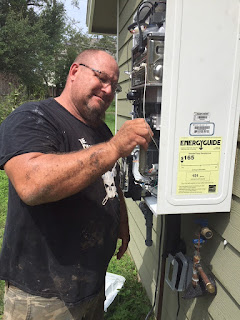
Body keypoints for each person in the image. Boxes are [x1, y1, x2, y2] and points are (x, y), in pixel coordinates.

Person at [0, 49, 153, 320]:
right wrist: (115, 146)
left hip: (91, 284)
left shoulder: (100, 130)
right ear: (74, 72)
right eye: (101, 78)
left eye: (114, 85)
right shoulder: (33, 117)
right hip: (43, 295)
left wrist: (121, 222)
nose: (107, 90)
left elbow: (110, 181)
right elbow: (31, 184)